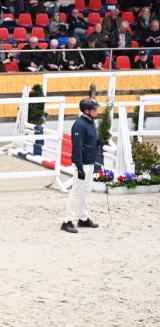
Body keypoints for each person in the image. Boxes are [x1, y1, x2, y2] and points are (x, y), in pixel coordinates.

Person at [61, 98, 100, 234]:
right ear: (86, 110)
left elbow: (88, 142)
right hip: (82, 164)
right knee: (76, 192)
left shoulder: (91, 123)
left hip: (90, 162)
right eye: (94, 109)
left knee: (86, 191)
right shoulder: (79, 125)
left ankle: (83, 218)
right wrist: (79, 167)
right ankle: (67, 221)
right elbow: (77, 148)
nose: (96, 111)